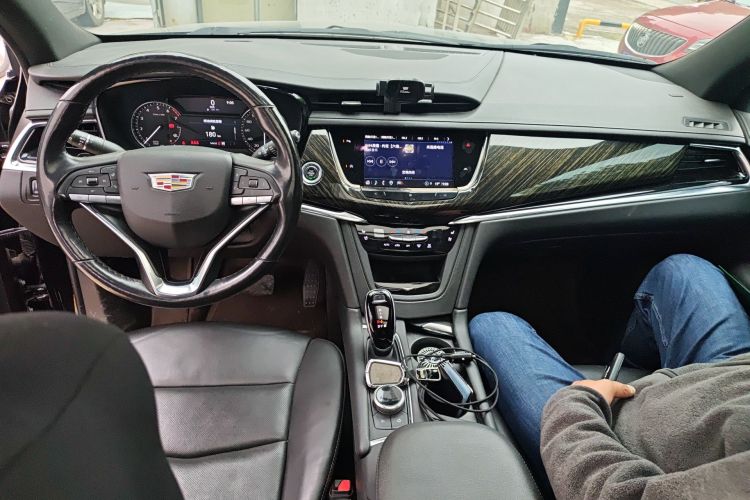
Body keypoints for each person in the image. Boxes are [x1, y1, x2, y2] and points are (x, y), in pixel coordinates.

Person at [469, 254, 750, 499]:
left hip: (619, 439)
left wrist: (576, 405)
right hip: (729, 378)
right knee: (682, 269)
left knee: (494, 326)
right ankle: (622, 355)